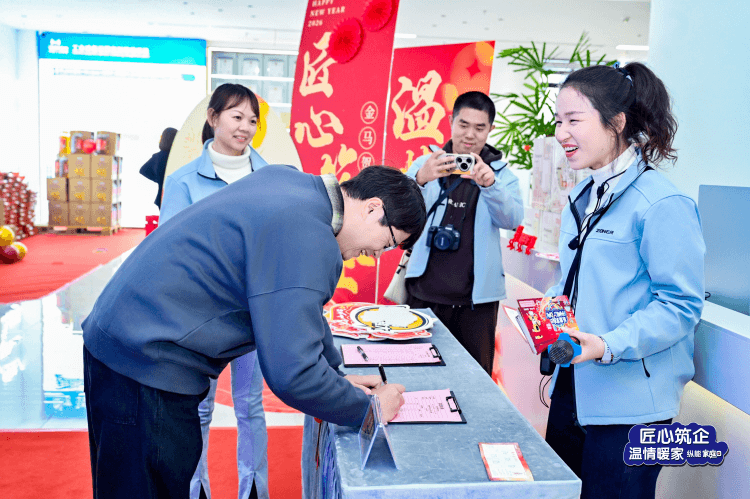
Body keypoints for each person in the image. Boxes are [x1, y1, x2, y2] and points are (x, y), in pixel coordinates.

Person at [82, 164, 426, 499]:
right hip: (147, 363)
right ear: (372, 208)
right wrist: (368, 410)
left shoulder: (292, 185)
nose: (377, 255)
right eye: (388, 242)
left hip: (122, 334)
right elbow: (293, 375)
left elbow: (302, 310)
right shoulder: (308, 235)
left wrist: (336, 377)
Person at [543, 62, 705, 498]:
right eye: (558, 121)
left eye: (574, 120)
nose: (561, 133)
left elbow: (680, 306)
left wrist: (607, 344)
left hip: (631, 407)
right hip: (573, 386)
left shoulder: (662, 202)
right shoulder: (583, 195)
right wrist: (550, 306)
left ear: (616, 122)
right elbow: (578, 279)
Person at [160, 83, 270, 499]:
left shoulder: (271, 178)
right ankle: (196, 489)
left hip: (253, 310)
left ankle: (254, 489)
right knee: (200, 407)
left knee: (250, 405)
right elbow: (170, 253)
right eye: (236, 116)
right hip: (201, 315)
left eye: (252, 120)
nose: (245, 127)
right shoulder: (183, 181)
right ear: (213, 118)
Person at [403, 91, 524, 376]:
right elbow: (400, 213)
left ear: (490, 129)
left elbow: (512, 220)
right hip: (424, 292)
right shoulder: (426, 163)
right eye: (463, 124)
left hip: (476, 303)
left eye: (479, 127)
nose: (470, 134)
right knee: (415, 372)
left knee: (474, 378)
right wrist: (420, 179)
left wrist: (491, 186)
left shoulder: (501, 174)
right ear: (451, 121)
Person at [139, 127, 178, 210]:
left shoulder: (158, 156)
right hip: (176, 196)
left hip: (162, 197)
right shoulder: (176, 157)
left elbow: (143, 170)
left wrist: (159, 179)